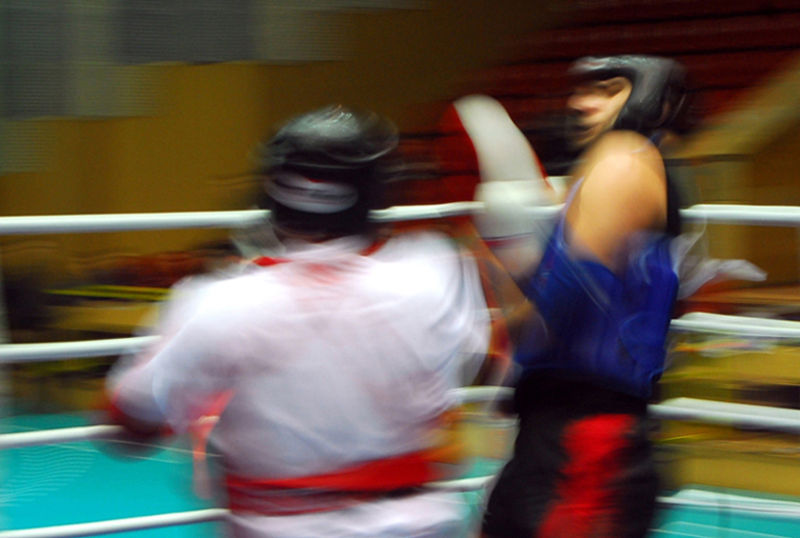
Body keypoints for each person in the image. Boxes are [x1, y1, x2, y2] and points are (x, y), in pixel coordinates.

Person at [105, 105, 491, 537]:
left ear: (273, 193)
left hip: (286, 525)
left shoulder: (221, 302)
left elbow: (131, 416)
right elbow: (473, 370)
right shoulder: (435, 270)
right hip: (423, 522)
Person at [475, 55, 691, 537]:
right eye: (581, 90)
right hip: (563, 429)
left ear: (650, 98)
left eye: (607, 90)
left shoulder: (623, 157)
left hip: (587, 439)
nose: (581, 103)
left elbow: (569, 298)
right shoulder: (605, 169)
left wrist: (496, 333)